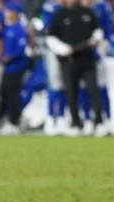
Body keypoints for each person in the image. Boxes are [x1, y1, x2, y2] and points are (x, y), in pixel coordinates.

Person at [47, 0, 107, 136]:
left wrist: (95, 39)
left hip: (87, 59)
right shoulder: (59, 14)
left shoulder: (88, 12)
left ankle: (99, 122)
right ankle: (76, 123)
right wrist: (63, 49)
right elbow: (51, 38)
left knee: (93, 90)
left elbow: (98, 30)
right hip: (69, 60)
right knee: (71, 93)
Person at [77, 0, 112, 134]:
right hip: (82, 54)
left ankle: (106, 118)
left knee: (101, 87)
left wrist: (104, 45)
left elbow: (107, 28)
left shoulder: (102, 7)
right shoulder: (76, 9)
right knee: (83, 87)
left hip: (99, 52)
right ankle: (87, 119)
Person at [0, 2, 28, 135]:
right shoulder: (9, 28)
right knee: (4, 92)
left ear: (15, 13)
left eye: (8, 11)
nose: (6, 13)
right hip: (8, 67)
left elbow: (21, 49)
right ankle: (6, 118)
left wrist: (10, 57)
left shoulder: (20, 29)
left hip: (16, 67)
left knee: (13, 94)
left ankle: (15, 122)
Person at [41, 0, 67, 136]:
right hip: (54, 50)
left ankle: (62, 117)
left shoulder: (70, 7)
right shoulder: (50, 6)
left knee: (65, 85)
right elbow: (48, 31)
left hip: (68, 49)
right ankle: (51, 117)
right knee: (54, 85)